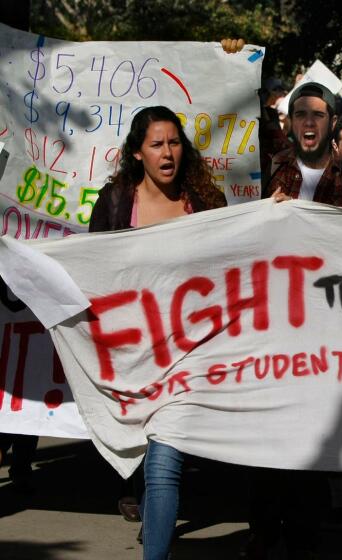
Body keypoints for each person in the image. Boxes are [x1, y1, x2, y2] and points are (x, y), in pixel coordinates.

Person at [89, 106, 227, 560]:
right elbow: (90, 270)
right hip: (132, 354)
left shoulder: (205, 201)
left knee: (166, 461)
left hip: (187, 354)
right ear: (137, 153)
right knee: (147, 458)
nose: (167, 152)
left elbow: (236, 258)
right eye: (156, 144)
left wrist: (276, 213)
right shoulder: (114, 202)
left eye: (174, 142)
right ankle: (156, 526)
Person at [265, 82, 342, 209]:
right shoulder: (274, 166)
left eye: (318, 115)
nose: (309, 122)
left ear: (332, 123)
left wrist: (297, 210)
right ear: (290, 121)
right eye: (300, 115)